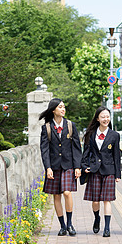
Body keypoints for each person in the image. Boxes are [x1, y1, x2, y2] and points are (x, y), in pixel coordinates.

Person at [39, 98, 82, 236]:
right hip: (54, 166)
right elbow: (44, 149)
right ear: (53, 110)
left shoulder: (70, 125)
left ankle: (70, 224)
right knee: (56, 196)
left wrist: (77, 166)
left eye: (64, 107)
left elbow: (76, 147)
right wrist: (48, 168)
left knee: (67, 193)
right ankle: (62, 226)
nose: (63, 109)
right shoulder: (46, 128)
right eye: (60, 107)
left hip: (68, 165)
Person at [81, 106, 121, 237]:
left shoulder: (115, 135)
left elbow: (116, 155)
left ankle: (107, 227)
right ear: (97, 118)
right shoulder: (91, 134)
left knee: (107, 200)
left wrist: (117, 174)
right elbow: (86, 153)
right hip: (94, 170)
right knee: (96, 200)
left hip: (109, 170)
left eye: (107, 116)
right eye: (103, 116)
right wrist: (84, 166)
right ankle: (97, 218)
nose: (106, 119)